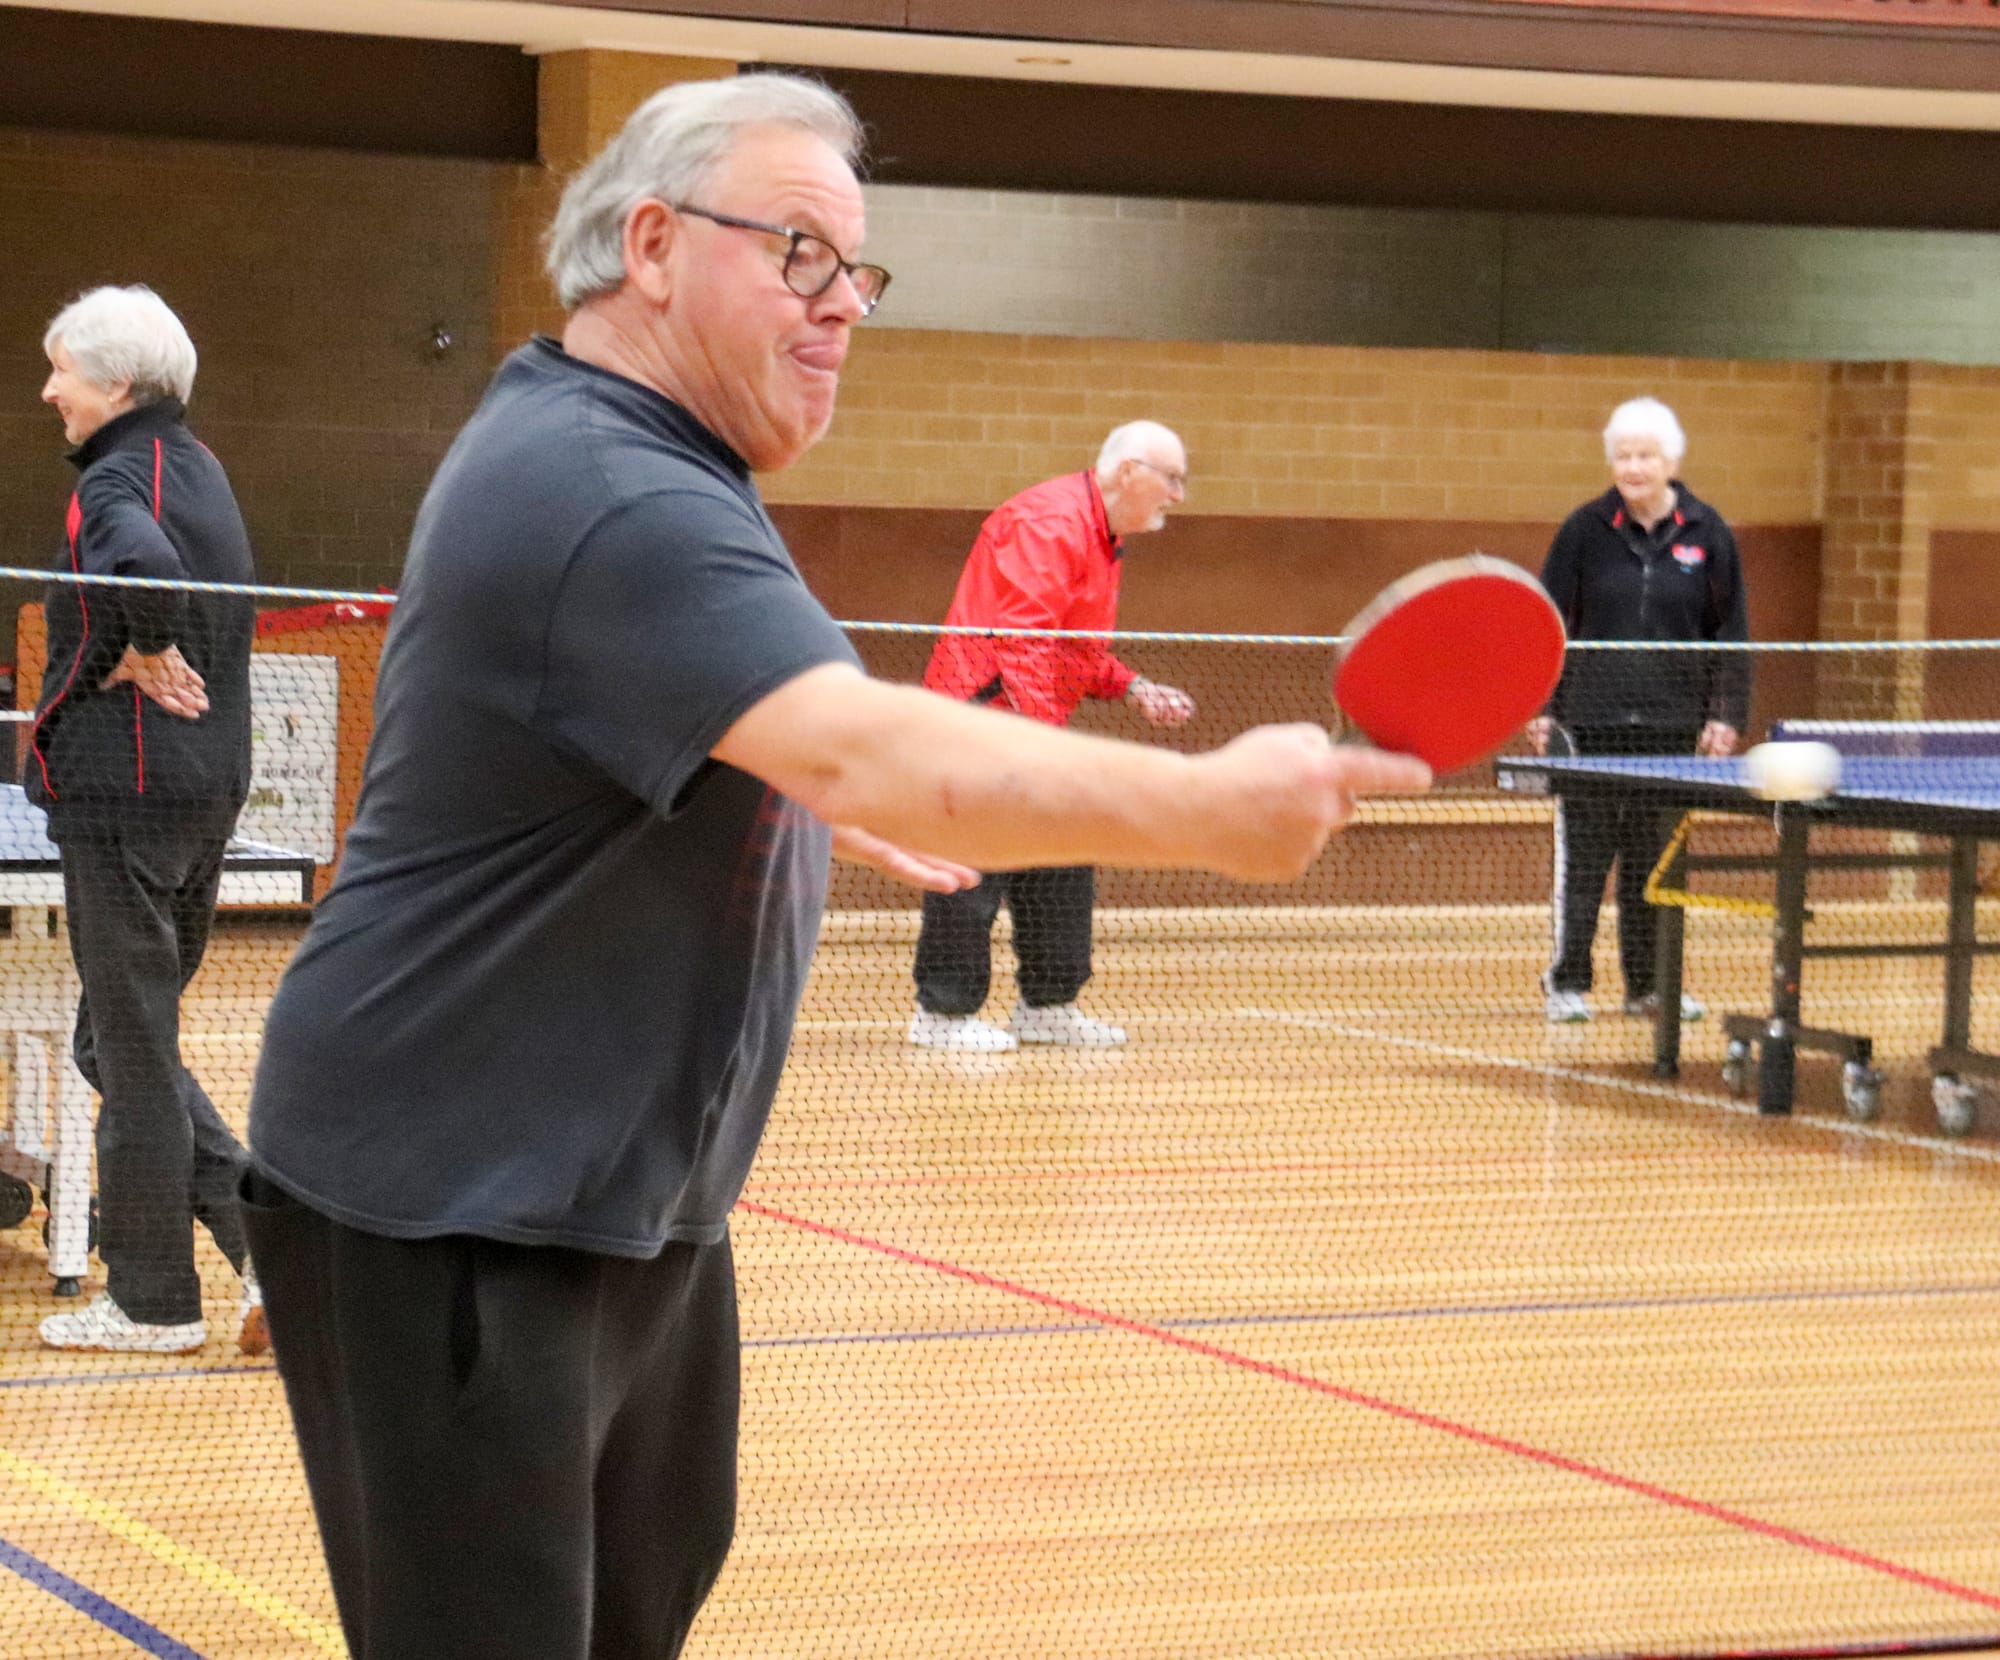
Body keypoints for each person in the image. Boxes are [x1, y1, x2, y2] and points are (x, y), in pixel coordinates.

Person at [240, 74, 1429, 1660]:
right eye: (798, 253)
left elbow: (689, 736)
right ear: (652, 246)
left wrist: (780, 793)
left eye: (856, 271)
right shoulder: (607, 485)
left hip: (619, 1194)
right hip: (462, 1198)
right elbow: (870, 743)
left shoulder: (658, 462)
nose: (841, 306)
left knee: (635, 1609)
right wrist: (1209, 809)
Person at [28, 285, 263, 1355]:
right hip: (200, 797)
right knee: (117, 1041)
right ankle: (271, 1245)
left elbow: (149, 572)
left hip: (124, 803)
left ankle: (154, 1302)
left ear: (117, 384)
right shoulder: (201, 468)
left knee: (129, 1053)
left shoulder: (114, 480)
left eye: (62, 370)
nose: (50, 391)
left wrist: (140, 645)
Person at [909, 423, 1198, 1052]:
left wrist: (1132, 686)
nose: (1178, 494)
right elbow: (1022, 640)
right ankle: (942, 1014)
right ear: (1128, 472)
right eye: (1172, 478)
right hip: (981, 717)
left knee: (1064, 849)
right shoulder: (1051, 522)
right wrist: (1049, 745)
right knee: (974, 860)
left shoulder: (1103, 539)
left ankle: (1048, 1006)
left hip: (1030, 719)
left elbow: (1073, 649)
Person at [1529, 395, 1750, 1024]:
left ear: (1670, 461)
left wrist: (1726, 713)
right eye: (1623, 455)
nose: (1633, 466)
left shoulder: (1708, 533)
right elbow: (1547, 623)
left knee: (1655, 866)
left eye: (1645, 455)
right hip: (1590, 724)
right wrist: (1543, 707)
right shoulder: (1583, 530)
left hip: (1672, 726)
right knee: (1585, 860)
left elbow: (1731, 630)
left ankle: (1650, 986)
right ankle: (1568, 981)